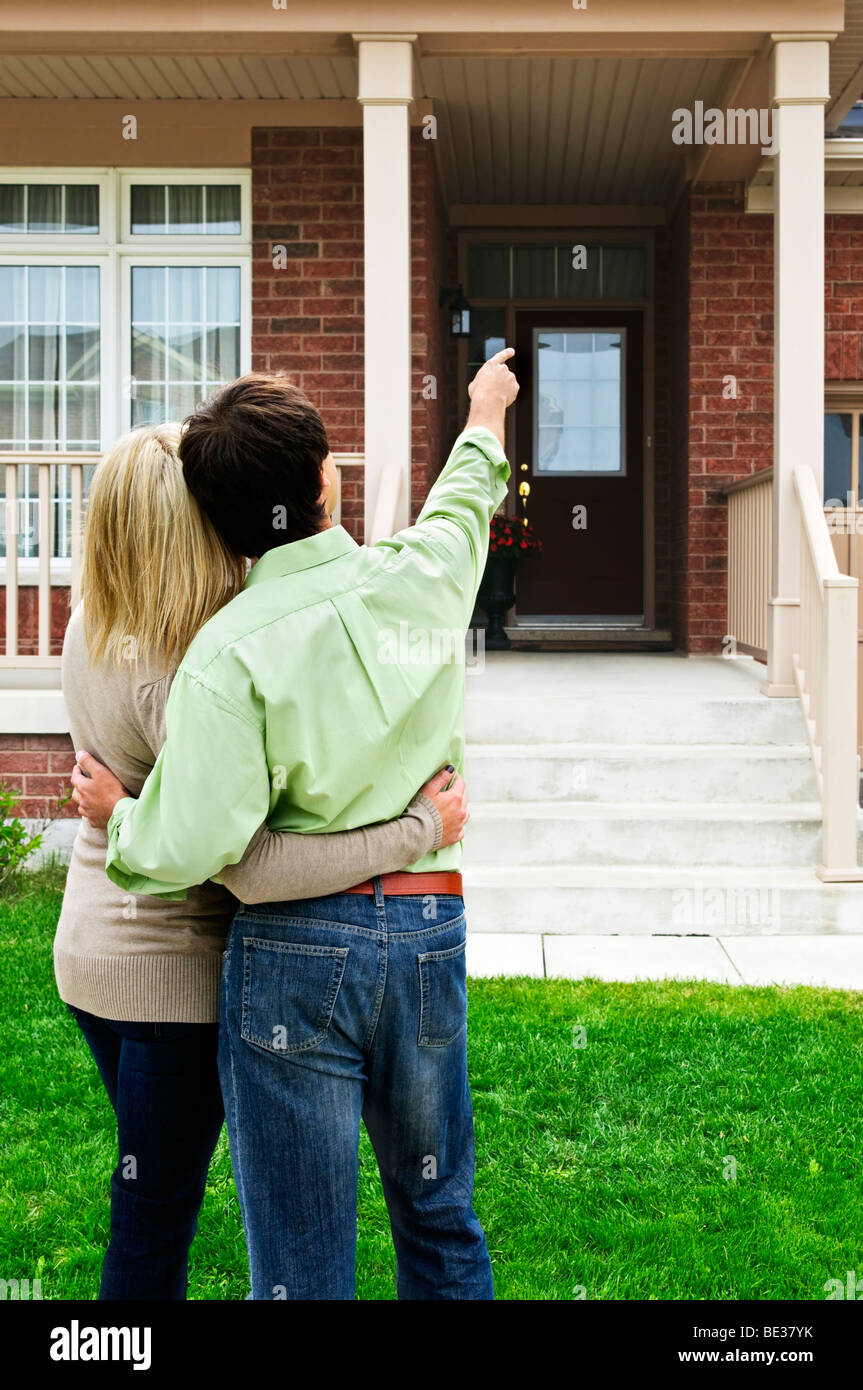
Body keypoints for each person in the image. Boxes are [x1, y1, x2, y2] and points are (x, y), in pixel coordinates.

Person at [73, 348, 520, 1300]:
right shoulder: (424, 576)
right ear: (329, 478)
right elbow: (464, 497)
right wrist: (484, 408)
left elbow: (193, 853)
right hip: (428, 930)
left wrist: (124, 820)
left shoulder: (224, 655)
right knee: (440, 1215)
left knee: (301, 1262)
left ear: (222, 527)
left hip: (293, 955)